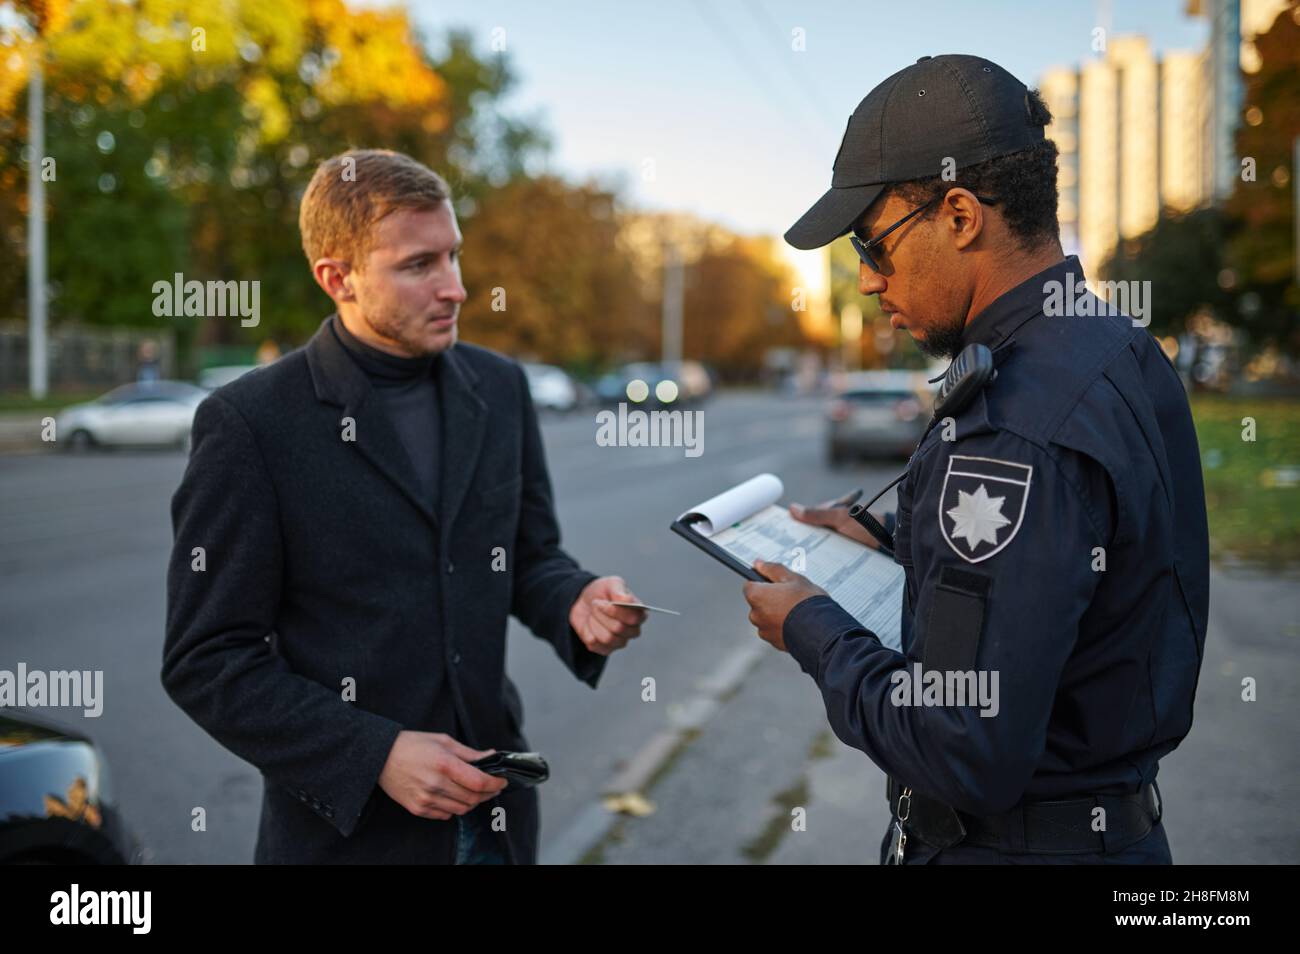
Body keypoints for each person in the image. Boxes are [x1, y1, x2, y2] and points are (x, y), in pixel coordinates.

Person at [742, 55, 1208, 864]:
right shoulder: (1112, 347)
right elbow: (1066, 576)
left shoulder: (1011, 423)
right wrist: (895, 542)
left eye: (872, 242)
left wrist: (811, 627)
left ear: (959, 215)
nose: (864, 279)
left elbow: (962, 748)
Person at [162, 148, 649, 864]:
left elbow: (528, 555)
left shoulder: (501, 387)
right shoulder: (252, 423)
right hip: (348, 840)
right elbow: (206, 660)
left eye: (453, 256)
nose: (455, 288)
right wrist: (376, 753)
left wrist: (577, 602)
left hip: (498, 815)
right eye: (420, 265)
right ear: (338, 278)